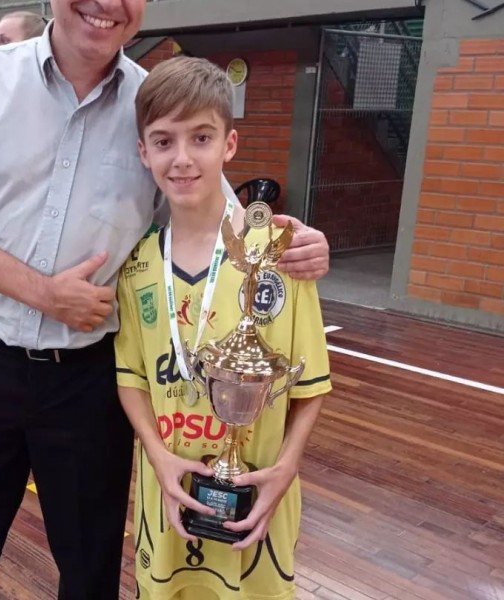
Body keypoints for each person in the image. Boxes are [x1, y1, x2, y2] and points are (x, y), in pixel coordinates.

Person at [0, 1, 330, 597]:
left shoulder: (154, 103)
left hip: (90, 384)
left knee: (90, 574)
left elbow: (220, 221)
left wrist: (293, 243)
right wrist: (47, 295)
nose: (106, 4)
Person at [115, 56, 332, 600]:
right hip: (169, 491)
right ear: (143, 152)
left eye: (201, 137)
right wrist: (157, 455)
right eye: (163, 141)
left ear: (229, 144)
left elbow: (309, 386)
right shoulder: (136, 265)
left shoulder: (279, 254)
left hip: (259, 495)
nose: (182, 158)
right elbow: (131, 378)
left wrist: (286, 469)